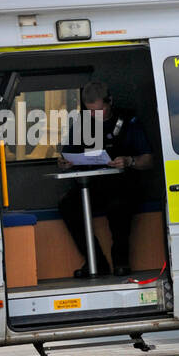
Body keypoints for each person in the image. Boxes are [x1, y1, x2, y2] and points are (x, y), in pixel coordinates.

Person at [57, 81, 154, 278]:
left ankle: (121, 262)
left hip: (124, 185)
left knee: (118, 207)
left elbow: (148, 160)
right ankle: (96, 262)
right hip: (93, 186)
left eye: (99, 110)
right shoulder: (83, 123)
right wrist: (64, 162)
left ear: (110, 102)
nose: (95, 115)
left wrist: (130, 161)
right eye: (90, 111)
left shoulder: (129, 121)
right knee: (68, 206)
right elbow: (67, 155)